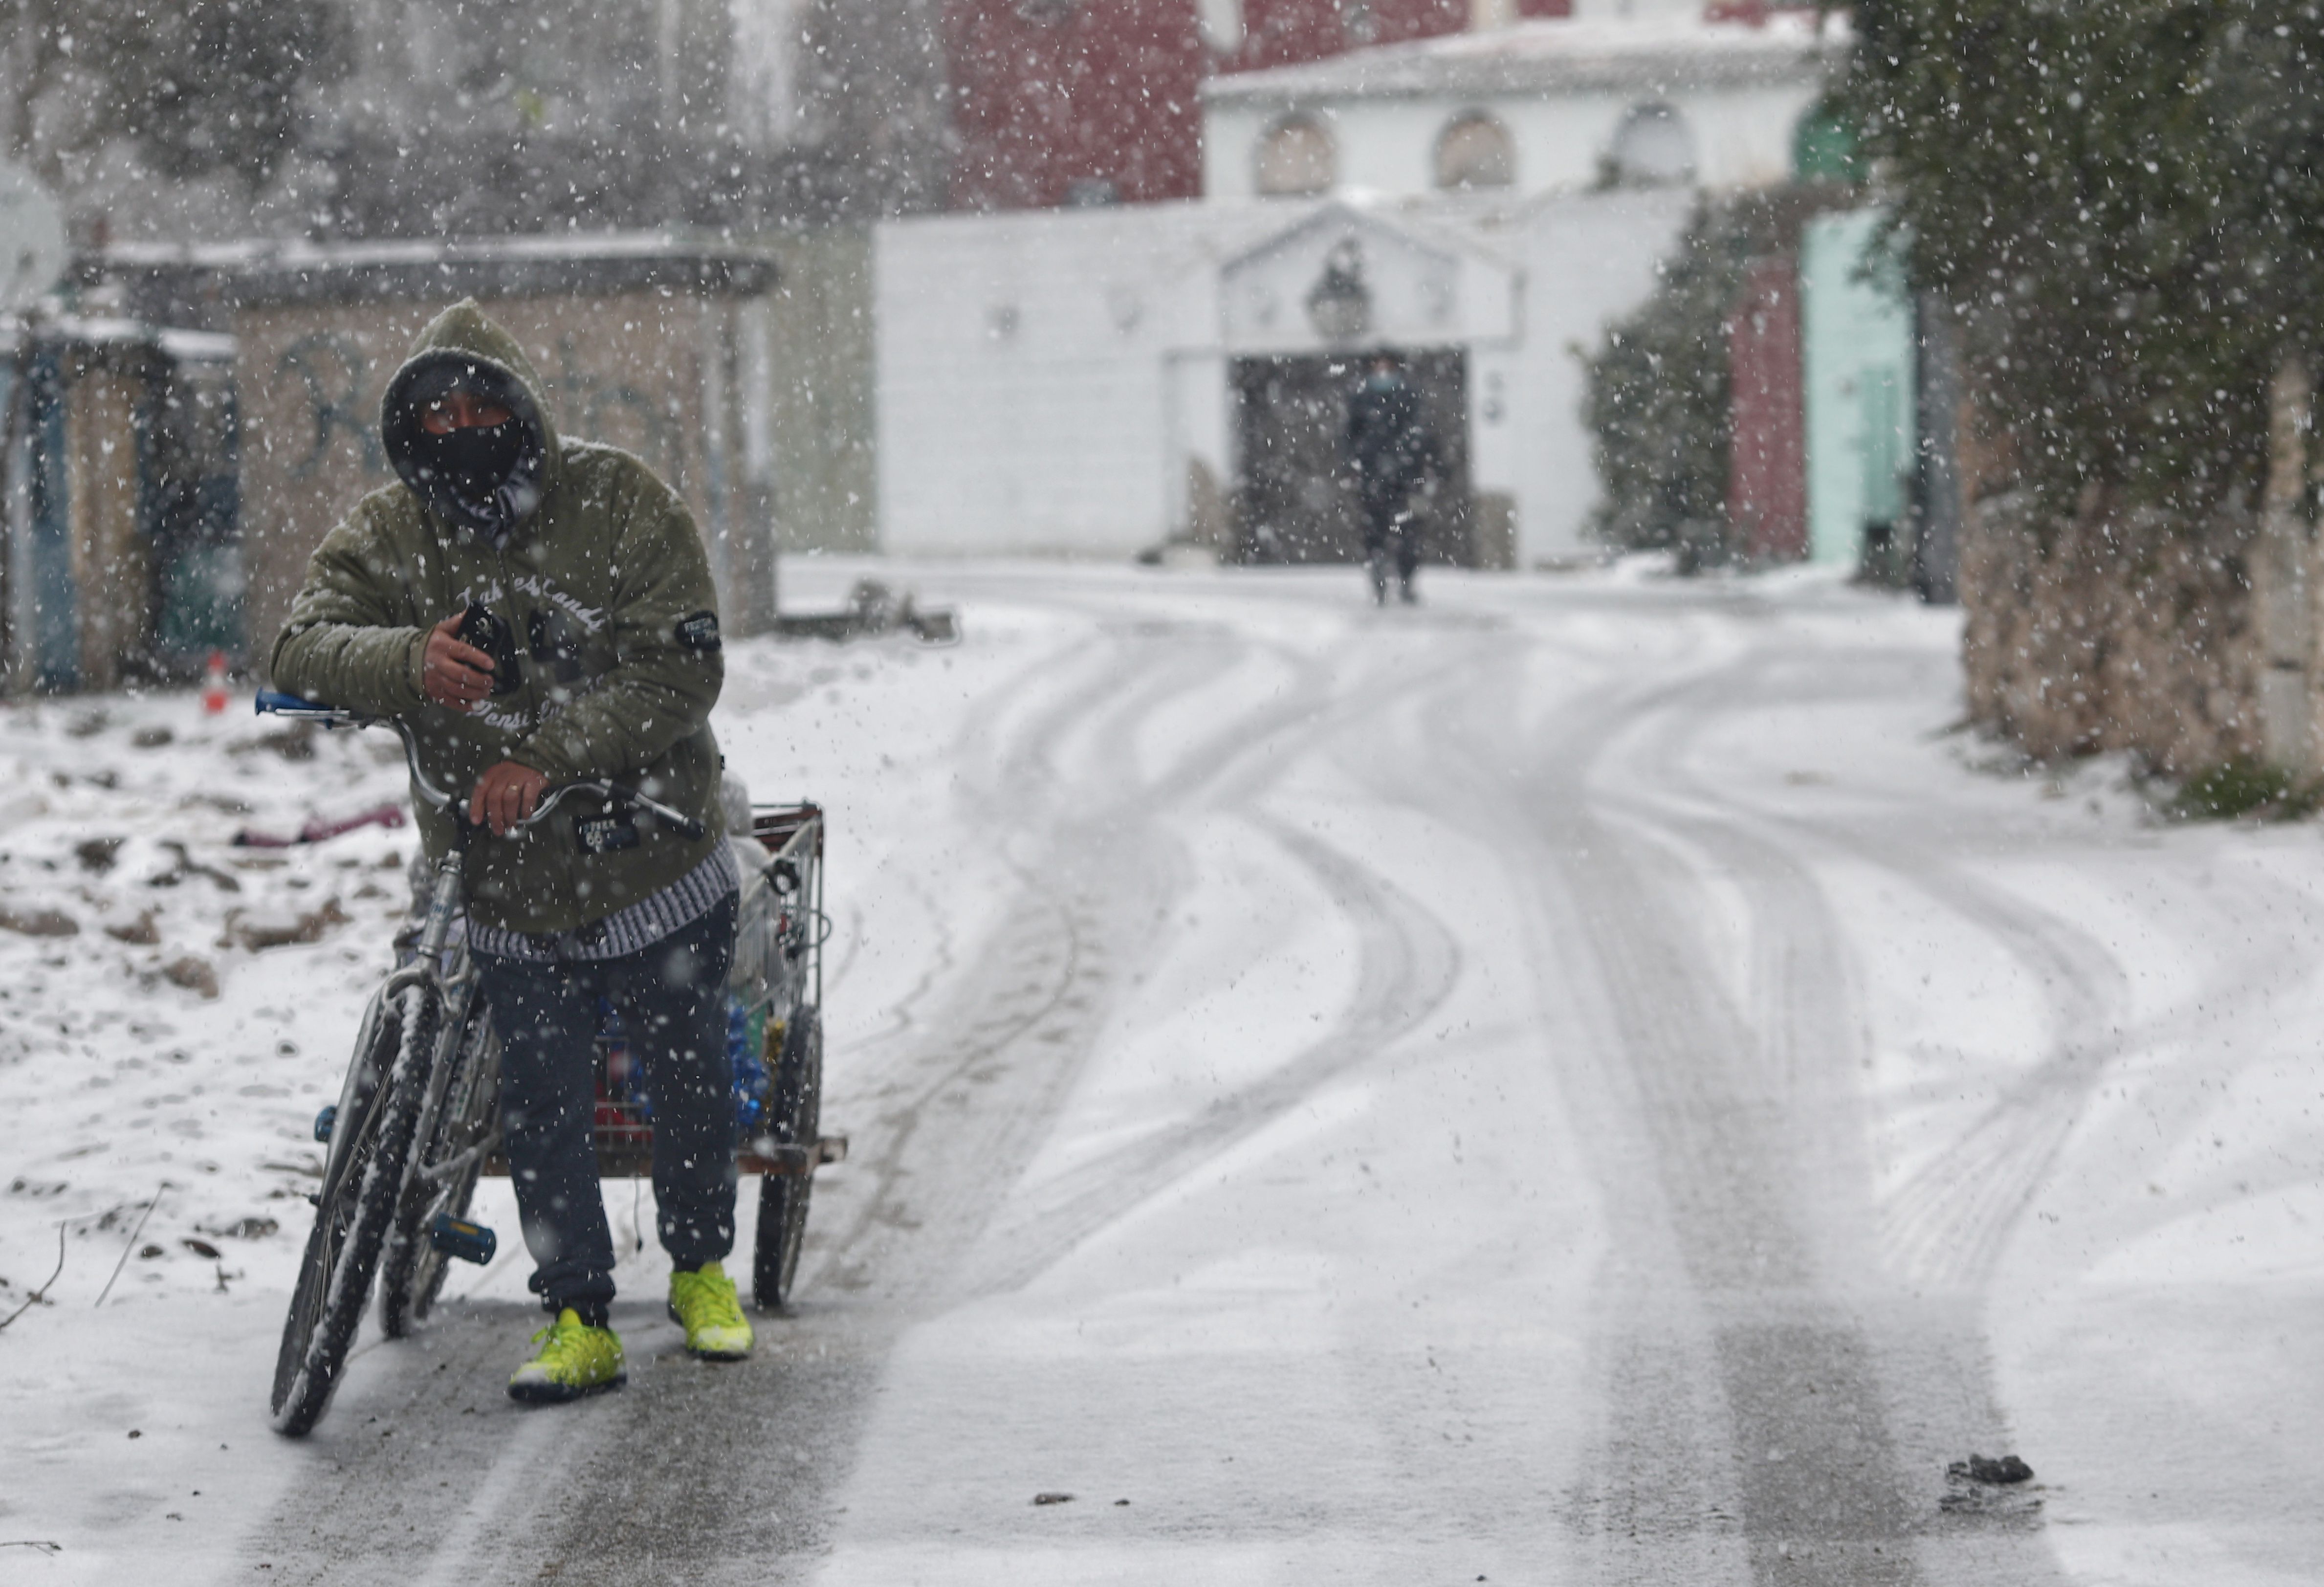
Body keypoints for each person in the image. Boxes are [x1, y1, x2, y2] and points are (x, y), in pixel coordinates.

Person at [272, 299, 751, 1405]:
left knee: (683, 1080)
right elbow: (300, 642)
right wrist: (406, 658)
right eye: (435, 412)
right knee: (541, 1102)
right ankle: (578, 1311)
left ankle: (700, 1270)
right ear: (407, 429)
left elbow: (681, 669)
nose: (461, 425)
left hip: (651, 856)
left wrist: (547, 754)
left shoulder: (622, 501)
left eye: (483, 403)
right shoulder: (393, 532)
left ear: (524, 405)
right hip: (498, 877)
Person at [1343, 352, 1438, 606]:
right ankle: (1378, 581)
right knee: (1375, 532)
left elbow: (1424, 434)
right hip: (1372, 476)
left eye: (1388, 365)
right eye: (1378, 365)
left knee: (1408, 534)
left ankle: (1406, 581)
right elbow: (1350, 436)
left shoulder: (1409, 396)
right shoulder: (1361, 399)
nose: (1383, 370)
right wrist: (1354, 466)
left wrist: (1424, 464)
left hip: (1406, 478)